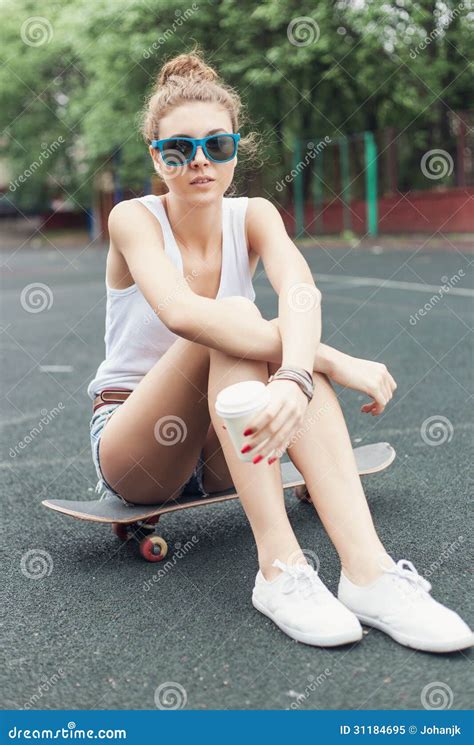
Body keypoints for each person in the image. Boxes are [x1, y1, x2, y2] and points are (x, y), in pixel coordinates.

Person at [86, 48, 472, 653]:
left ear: (238, 147)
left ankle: (369, 573)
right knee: (236, 319)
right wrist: (328, 361)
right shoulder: (133, 219)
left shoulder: (254, 215)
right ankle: (279, 568)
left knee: (273, 343)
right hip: (139, 440)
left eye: (217, 145)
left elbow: (299, 290)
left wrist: (294, 374)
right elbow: (185, 315)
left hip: (226, 435)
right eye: (178, 150)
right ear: (156, 160)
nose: (199, 162)